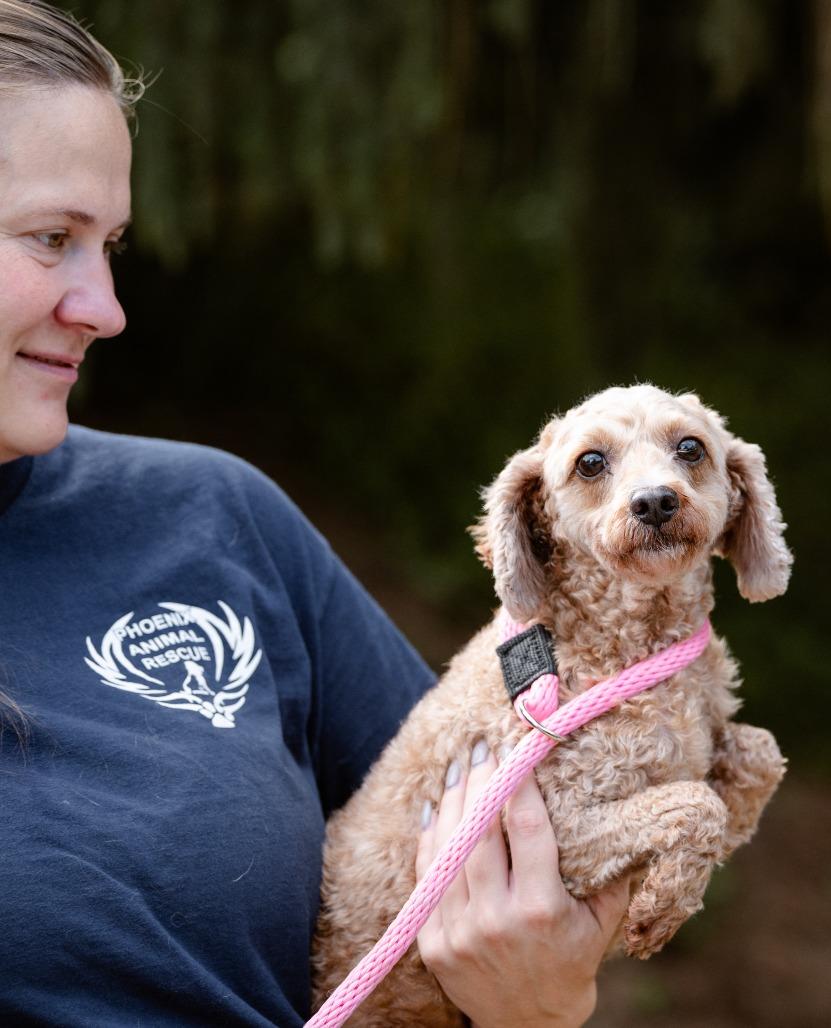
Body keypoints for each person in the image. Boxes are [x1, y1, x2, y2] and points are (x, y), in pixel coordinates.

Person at [0, 2, 629, 1025]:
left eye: (109, 242)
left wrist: (536, 1001)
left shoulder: (214, 514)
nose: (104, 305)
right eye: (52, 238)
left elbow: (494, 742)